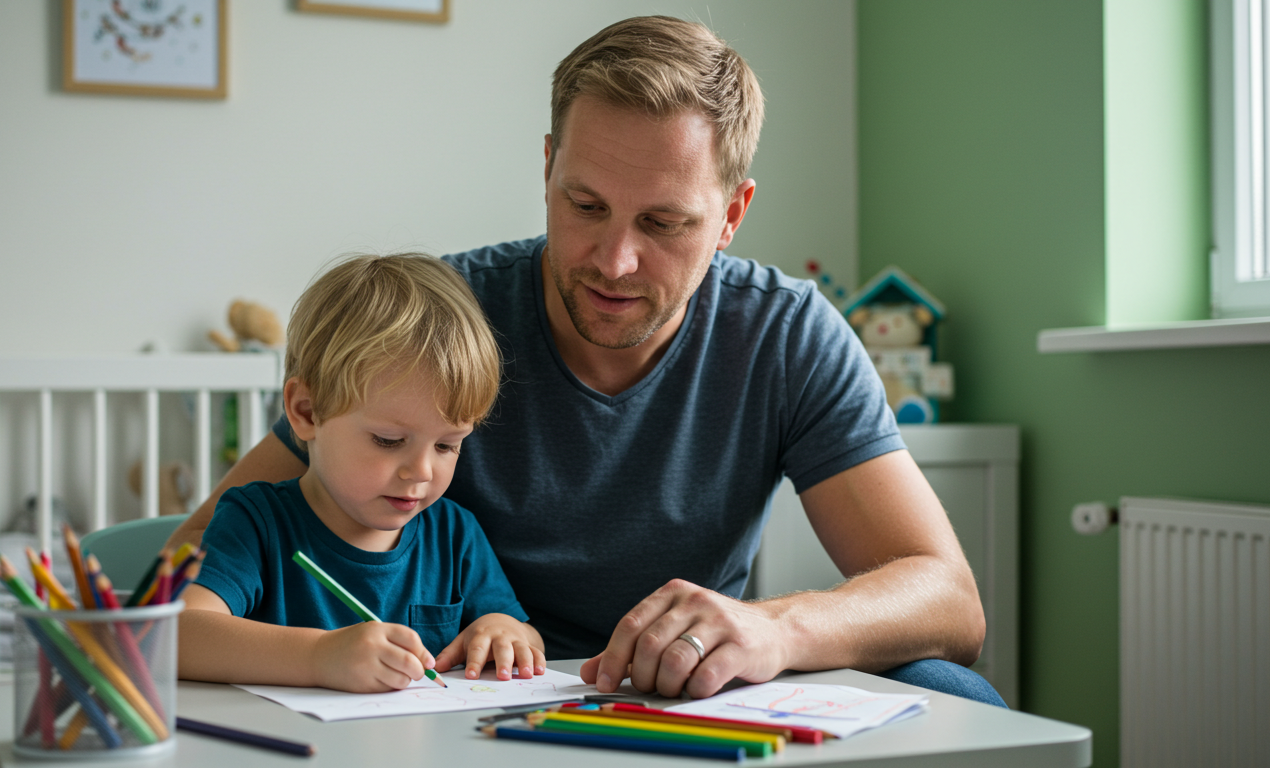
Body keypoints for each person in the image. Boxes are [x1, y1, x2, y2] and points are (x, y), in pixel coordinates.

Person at [170, 16, 1002, 706]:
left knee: (953, 694)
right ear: (547, 169)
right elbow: (192, 564)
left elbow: (949, 600)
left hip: (686, 702)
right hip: (471, 707)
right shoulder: (438, 325)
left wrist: (775, 630)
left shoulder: (785, 335)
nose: (614, 261)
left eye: (665, 223)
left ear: (732, 215)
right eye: (586, 205)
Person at [177, 254, 544, 692]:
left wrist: (506, 632)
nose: (422, 471)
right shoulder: (255, 522)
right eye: (389, 441)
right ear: (306, 412)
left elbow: (523, 634)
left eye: (447, 445)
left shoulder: (454, 534)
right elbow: (179, 634)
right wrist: (318, 658)